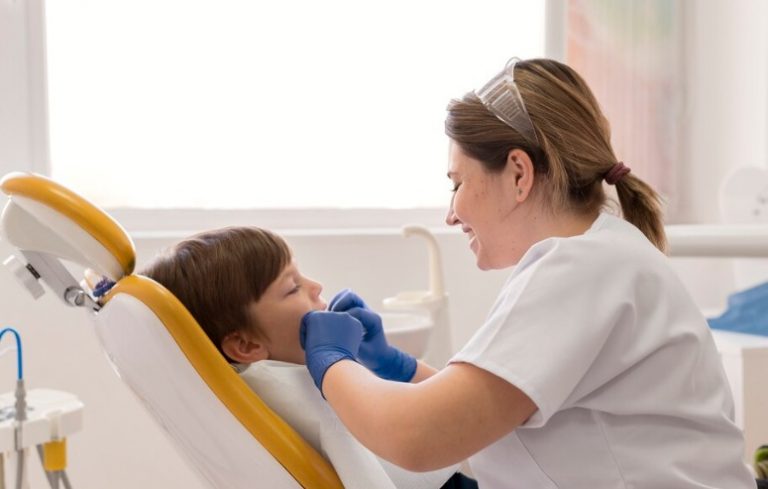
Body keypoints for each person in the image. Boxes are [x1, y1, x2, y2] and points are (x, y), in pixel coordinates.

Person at [300, 58, 757, 488]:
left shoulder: (580, 269)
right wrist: (399, 370)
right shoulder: (601, 256)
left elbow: (419, 438)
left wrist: (330, 360)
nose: (451, 215)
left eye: (457, 183)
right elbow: (491, 416)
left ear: (519, 173)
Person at [138, 226, 465, 489]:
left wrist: (391, 365)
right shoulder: (303, 394)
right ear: (247, 345)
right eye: (292, 288)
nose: (316, 285)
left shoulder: (264, 389)